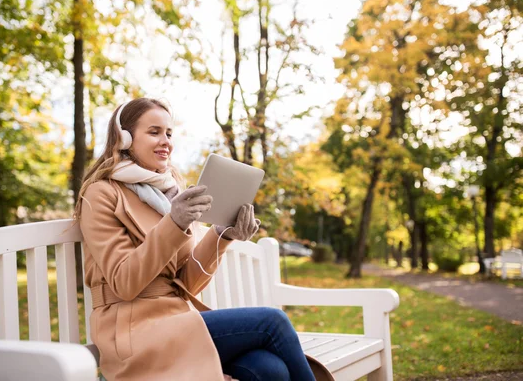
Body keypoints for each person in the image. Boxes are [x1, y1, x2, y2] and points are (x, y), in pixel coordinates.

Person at [74, 97, 333, 381]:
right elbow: (124, 282)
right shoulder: (101, 193)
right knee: (273, 321)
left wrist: (222, 234)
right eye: (154, 132)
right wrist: (175, 222)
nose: (165, 141)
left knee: (269, 369)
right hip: (133, 331)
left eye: (169, 133)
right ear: (124, 138)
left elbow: (186, 284)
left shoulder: (166, 194)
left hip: (177, 318)